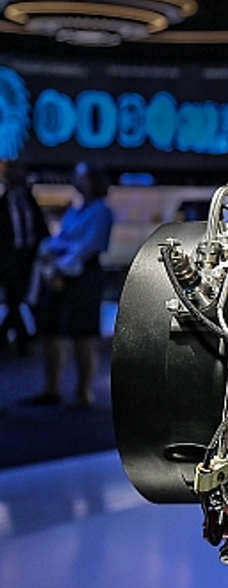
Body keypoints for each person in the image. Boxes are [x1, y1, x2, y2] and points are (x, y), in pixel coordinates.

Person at [23, 162, 113, 408]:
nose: (78, 181)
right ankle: (52, 388)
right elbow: (60, 239)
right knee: (51, 330)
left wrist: (59, 264)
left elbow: (89, 246)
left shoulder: (101, 211)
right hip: (60, 274)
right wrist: (50, 254)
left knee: (82, 334)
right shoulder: (75, 210)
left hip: (83, 276)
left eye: (83, 177)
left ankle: (84, 392)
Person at [0, 159, 46, 355]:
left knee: (19, 298)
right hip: (8, 257)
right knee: (14, 297)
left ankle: (8, 336)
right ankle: (22, 339)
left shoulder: (29, 201)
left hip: (28, 256)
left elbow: (40, 227)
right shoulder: (4, 202)